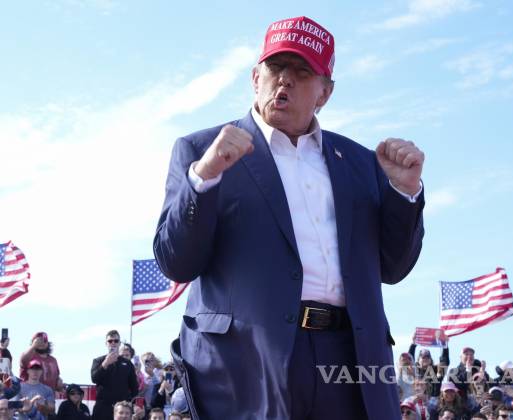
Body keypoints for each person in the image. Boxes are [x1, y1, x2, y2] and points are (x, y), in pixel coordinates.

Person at [153, 15, 425, 420]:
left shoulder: (361, 162)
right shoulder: (201, 151)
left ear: (324, 93)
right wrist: (204, 177)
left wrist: (404, 193)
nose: (285, 80)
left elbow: (394, 267)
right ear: (255, 77)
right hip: (246, 362)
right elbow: (176, 262)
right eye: (276, 67)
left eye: (301, 72)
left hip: (350, 358)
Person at [91, 330, 138, 420]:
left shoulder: (127, 363)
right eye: (110, 341)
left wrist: (128, 404)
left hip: (121, 410)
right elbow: (94, 379)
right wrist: (105, 364)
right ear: (106, 343)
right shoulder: (98, 361)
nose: (113, 343)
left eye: (116, 341)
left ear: (119, 343)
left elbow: (134, 388)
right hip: (103, 408)